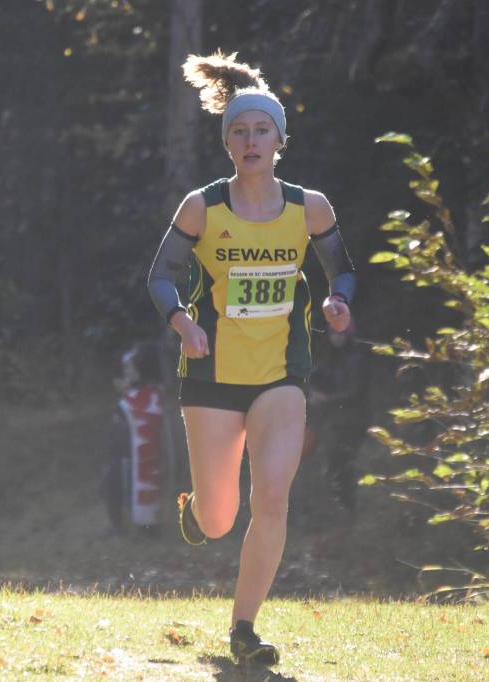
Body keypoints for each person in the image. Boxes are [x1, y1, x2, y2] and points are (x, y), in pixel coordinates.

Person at [147, 50, 356, 665]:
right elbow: (160, 275)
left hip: (280, 375)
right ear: (228, 143)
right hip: (211, 375)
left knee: (272, 497)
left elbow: (341, 270)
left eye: (262, 129)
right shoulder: (202, 207)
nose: (250, 139)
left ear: (280, 140)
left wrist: (338, 302)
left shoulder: (309, 207)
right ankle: (198, 509)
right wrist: (183, 322)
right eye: (239, 131)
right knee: (218, 520)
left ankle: (245, 630)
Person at [307, 319, 371, 512]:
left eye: (340, 333)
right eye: (333, 334)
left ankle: (348, 510)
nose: (336, 337)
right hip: (336, 423)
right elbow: (312, 376)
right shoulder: (331, 360)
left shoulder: (356, 360)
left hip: (354, 422)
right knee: (334, 466)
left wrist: (324, 399)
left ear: (348, 335)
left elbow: (355, 393)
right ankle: (341, 511)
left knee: (342, 466)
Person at [100, 343, 164, 536]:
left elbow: (115, 440)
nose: (125, 374)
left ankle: (118, 526)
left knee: (109, 482)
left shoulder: (128, 403)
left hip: (130, 458)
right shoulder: (160, 395)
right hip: (156, 461)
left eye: (128, 370)